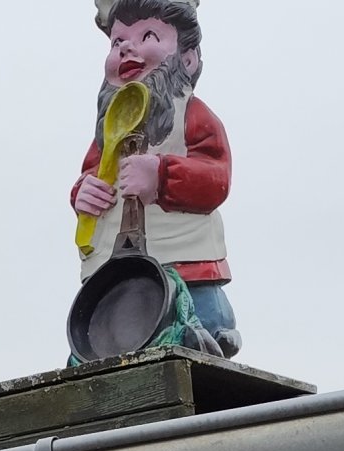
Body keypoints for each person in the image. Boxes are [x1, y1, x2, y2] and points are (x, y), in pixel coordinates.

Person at [73, 0, 239, 355]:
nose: (127, 48)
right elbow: (90, 170)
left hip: (183, 257)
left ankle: (212, 333)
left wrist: (163, 176)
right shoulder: (107, 131)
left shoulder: (192, 116)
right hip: (115, 271)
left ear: (188, 58)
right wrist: (82, 192)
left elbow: (216, 177)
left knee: (201, 309)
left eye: (147, 35)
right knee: (114, 323)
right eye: (118, 42)